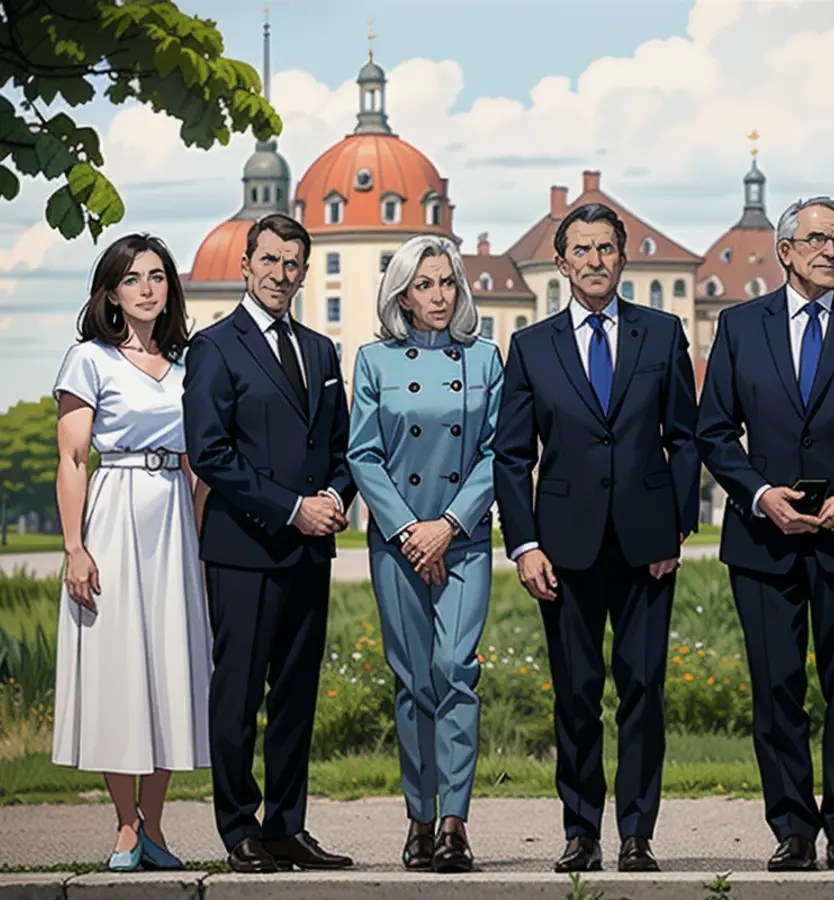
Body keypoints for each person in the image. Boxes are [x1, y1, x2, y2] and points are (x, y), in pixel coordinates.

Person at [695, 196, 834, 873]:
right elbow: (713, 432)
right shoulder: (739, 327)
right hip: (765, 541)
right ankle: (792, 828)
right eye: (817, 239)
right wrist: (762, 497)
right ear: (785, 251)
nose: (831, 250)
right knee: (776, 688)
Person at [493, 203, 700, 873]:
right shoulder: (531, 345)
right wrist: (523, 545)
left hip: (648, 544)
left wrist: (677, 523)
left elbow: (685, 439)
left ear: (622, 257)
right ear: (561, 264)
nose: (594, 260)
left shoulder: (663, 335)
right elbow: (511, 455)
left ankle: (637, 834)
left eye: (606, 248)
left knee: (643, 689)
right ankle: (580, 831)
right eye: (581, 250)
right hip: (563, 547)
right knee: (576, 693)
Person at [181, 214, 357, 874]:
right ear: (247, 265)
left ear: (303, 273)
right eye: (271, 261)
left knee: (295, 696)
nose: (282, 274)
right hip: (244, 547)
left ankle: (287, 827)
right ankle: (238, 830)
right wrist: (291, 510)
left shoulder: (320, 349)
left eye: (293, 264)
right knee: (238, 697)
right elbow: (211, 453)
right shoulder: (215, 348)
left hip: (312, 550)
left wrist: (336, 498)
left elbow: (339, 447)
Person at [51, 233, 211, 872]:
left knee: (171, 666)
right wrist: (74, 546)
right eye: (133, 278)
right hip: (114, 512)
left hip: (174, 512)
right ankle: (124, 825)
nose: (147, 288)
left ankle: (157, 825)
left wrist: (198, 541)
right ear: (112, 294)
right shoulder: (88, 359)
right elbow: (72, 457)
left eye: (158, 276)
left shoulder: (189, 365)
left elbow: (201, 461)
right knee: (121, 666)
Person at [347, 235, 503, 873]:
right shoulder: (373, 361)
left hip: (464, 541)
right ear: (403, 295)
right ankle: (418, 816)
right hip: (397, 541)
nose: (440, 296)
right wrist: (412, 530)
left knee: (455, 670)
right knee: (413, 681)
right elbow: (362, 454)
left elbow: (500, 451)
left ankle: (454, 823)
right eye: (426, 285)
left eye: (447, 283)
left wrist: (449, 524)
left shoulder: (488, 358)